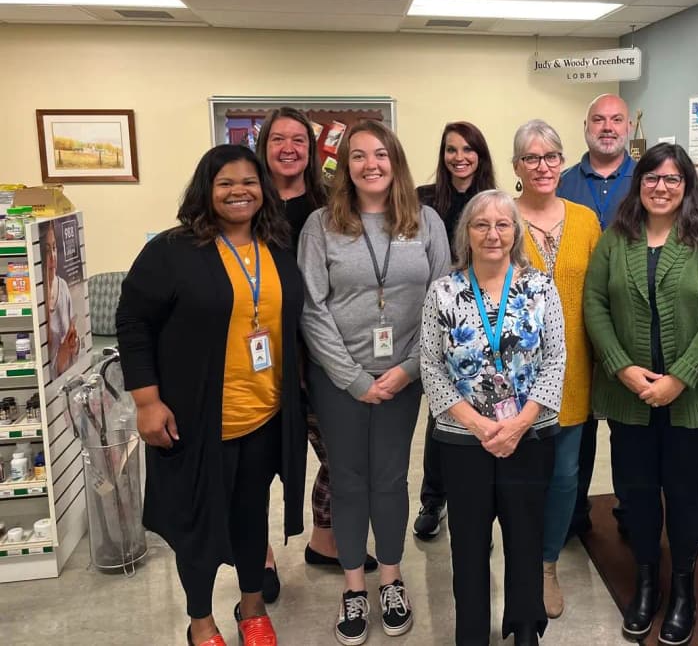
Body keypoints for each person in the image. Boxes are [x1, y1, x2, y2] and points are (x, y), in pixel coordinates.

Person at [116, 145, 306, 646]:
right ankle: (200, 621)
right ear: (206, 190)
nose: (239, 191)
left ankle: (252, 606)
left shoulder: (277, 245)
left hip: (264, 413)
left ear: (263, 189)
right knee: (196, 525)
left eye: (249, 181)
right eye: (226, 183)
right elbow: (133, 322)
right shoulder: (174, 250)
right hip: (194, 419)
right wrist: (146, 401)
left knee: (249, 514)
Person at [298, 119, 450, 645]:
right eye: (358, 156)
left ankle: (390, 578)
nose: (371, 164)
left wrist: (409, 369)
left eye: (381, 154)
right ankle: (353, 587)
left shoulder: (425, 221)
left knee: (389, 479)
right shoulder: (321, 225)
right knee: (348, 479)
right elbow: (312, 308)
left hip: (404, 376)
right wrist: (353, 377)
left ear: (396, 161)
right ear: (344, 166)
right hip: (339, 379)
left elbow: (440, 300)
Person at [584, 143, 698, 645]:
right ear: (639, 183)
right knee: (637, 492)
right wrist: (621, 368)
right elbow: (595, 305)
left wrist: (681, 376)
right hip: (629, 395)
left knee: (683, 491)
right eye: (652, 178)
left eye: (673, 179)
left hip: (689, 397)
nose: (662, 187)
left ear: (687, 186)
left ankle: (684, 591)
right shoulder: (616, 240)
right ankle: (647, 583)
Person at [420, 189, 566, 646]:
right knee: (467, 545)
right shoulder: (443, 291)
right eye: (481, 224)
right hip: (464, 441)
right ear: (466, 233)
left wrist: (519, 423)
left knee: (525, 537)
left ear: (515, 232)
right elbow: (430, 365)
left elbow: (555, 358)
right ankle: (472, 634)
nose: (492, 234)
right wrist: (481, 426)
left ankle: (525, 627)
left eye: (503, 224)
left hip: (529, 436)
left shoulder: (540, 287)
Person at [255, 107, 367, 600]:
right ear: (264, 145)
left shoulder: (329, 205)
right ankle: (258, 555)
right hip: (258, 354)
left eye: (298, 140)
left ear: (312, 148)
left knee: (342, 453)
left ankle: (325, 541)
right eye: (278, 139)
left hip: (319, 349)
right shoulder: (247, 201)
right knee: (258, 459)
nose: (289, 148)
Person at [512, 119, 601, 619]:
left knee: (566, 476)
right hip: (515, 377)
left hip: (574, 373)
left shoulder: (587, 221)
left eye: (551, 157)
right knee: (522, 475)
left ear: (562, 163)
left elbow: (603, 295)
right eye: (531, 158)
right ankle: (523, 563)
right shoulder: (500, 215)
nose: (542, 166)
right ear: (517, 167)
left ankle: (547, 565)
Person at [557, 92, 635, 538]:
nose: (608, 127)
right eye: (599, 120)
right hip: (573, 323)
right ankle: (573, 512)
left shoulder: (648, 181)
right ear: (586, 126)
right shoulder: (564, 182)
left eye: (616, 120)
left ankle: (629, 510)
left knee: (626, 424)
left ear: (627, 128)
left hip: (629, 322)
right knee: (578, 422)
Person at [413, 121, 497, 542]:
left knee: (490, 402)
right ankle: (433, 498)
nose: (459, 157)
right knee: (442, 409)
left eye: (468, 149)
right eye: (451, 150)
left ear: (480, 155)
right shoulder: (423, 201)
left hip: (489, 317)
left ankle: (484, 488)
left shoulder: (493, 202)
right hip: (440, 317)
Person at [42, 221, 79, 378]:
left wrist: (73, 344)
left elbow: (75, 350)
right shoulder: (38, 298)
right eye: (47, 250)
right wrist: (63, 352)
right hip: (50, 386)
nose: (53, 256)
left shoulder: (63, 286)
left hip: (68, 379)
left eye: (55, 248)